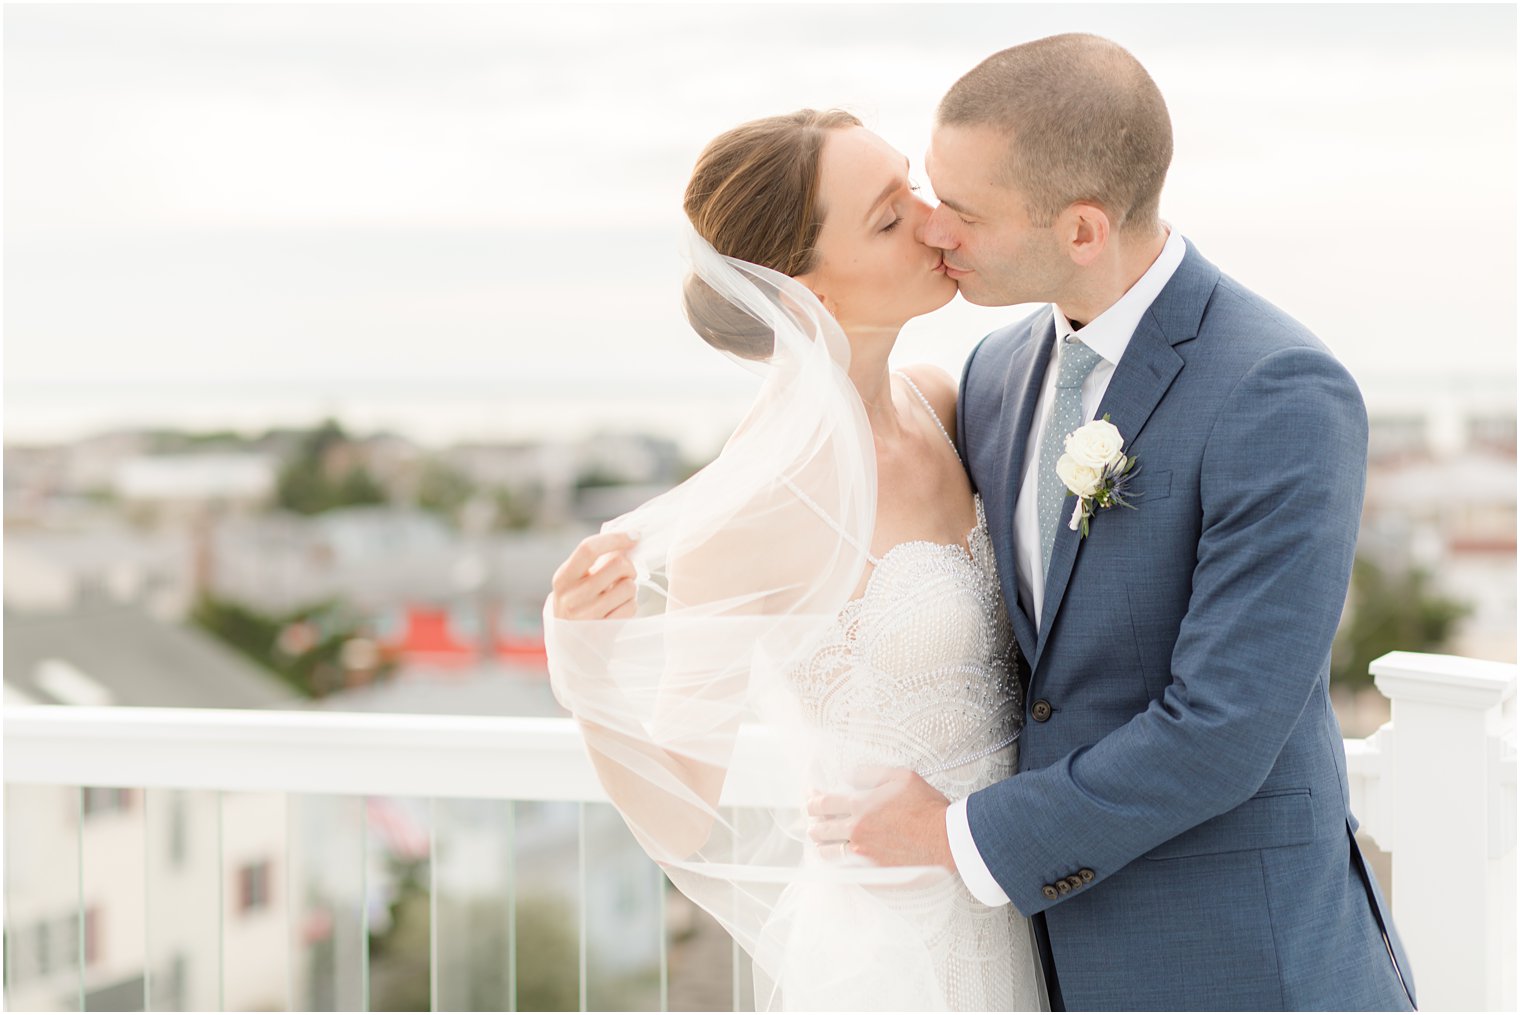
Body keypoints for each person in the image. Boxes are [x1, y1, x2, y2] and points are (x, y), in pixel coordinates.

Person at [821, 33, 1419, 1011]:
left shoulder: (1278, 391)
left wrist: (953, 836)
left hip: (1240, 964)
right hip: (1042, 965)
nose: (932, 229)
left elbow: (1221, 729)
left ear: (1082, 229)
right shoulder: (993, 374)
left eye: (961, 211)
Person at [546, 109, 1042, 1010]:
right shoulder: (749, 513)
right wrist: (584, 676)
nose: (936, 221)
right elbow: (682, 814)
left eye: (912, 187)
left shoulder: (941, 404)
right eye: (890, 218)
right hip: (900, 953)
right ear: (801, 291)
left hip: (1021, 900)